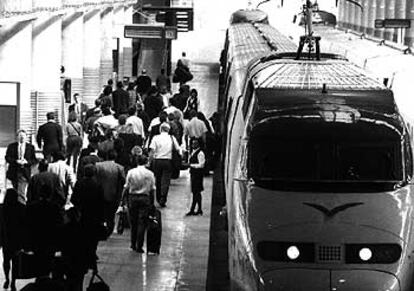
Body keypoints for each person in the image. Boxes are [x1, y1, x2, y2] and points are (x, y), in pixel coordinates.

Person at [71, 164, 105, 276]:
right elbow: (101, 201)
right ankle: (91, 256)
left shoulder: (79, 183)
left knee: (82, 237)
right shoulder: (98, 185)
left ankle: (83, 256)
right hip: (94, 216)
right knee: (93, 238)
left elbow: (73, 199)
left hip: (82, 215)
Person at [122, 154, 155, 253]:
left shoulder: (131, 172)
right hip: (145, 198)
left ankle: (132, 243)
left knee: (133, 222)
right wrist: (152, 202)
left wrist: (122, 200)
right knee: (142, 223)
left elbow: (126, 187)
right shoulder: (150, 174)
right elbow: (152, 189)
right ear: (146, 162)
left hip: (132, 198)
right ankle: (139, 246)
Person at [149, 122, 181, 207]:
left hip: (157, 161)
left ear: (160, 129)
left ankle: (158, 197)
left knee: (158, 180)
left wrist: (149, 161)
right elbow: (178, 149)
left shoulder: (156, 138)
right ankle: (163, 197)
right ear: (168, 130)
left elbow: (152, 151)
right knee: (166, 180)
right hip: (168, 161)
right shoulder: (172, 138)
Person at [95, 150, 125, 236]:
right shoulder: (120, 168)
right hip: (114, 194)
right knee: (111, 215)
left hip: (100, 193)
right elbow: (123, 181)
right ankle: (109, 231)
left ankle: (100, 229)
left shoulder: (98, 166)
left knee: (100, 213)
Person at [1, 189, 26, 291]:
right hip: (16, 238)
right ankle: (13, 282)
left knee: (6, 260)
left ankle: (7, 278)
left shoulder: (2, 208)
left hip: (6, 238)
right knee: (15, 262)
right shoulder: (21, 208)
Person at [5, 129, 37, 204]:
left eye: (23, 136)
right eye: (20, 136)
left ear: (26, 137)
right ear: (17, 137)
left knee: (21, 191)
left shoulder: (30, 147)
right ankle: (17, 207)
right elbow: (7, 157)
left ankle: (21, 207)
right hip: (14, 172)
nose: (22, 138)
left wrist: (27, 162)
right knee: (16, 190)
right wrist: (15, 161)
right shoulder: (12, 146)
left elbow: (34, 160)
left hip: (24, 172)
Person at [186, 139, 205, 215]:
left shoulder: (200, 153)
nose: (193, 145)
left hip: (198, 174)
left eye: (195, 144)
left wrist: (191, 165)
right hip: (194, 174)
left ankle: (193, 209)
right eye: (192, 144)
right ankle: (198, 209)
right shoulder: (193, 152)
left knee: (196, 192)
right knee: (196, 192)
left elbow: (201, 165)